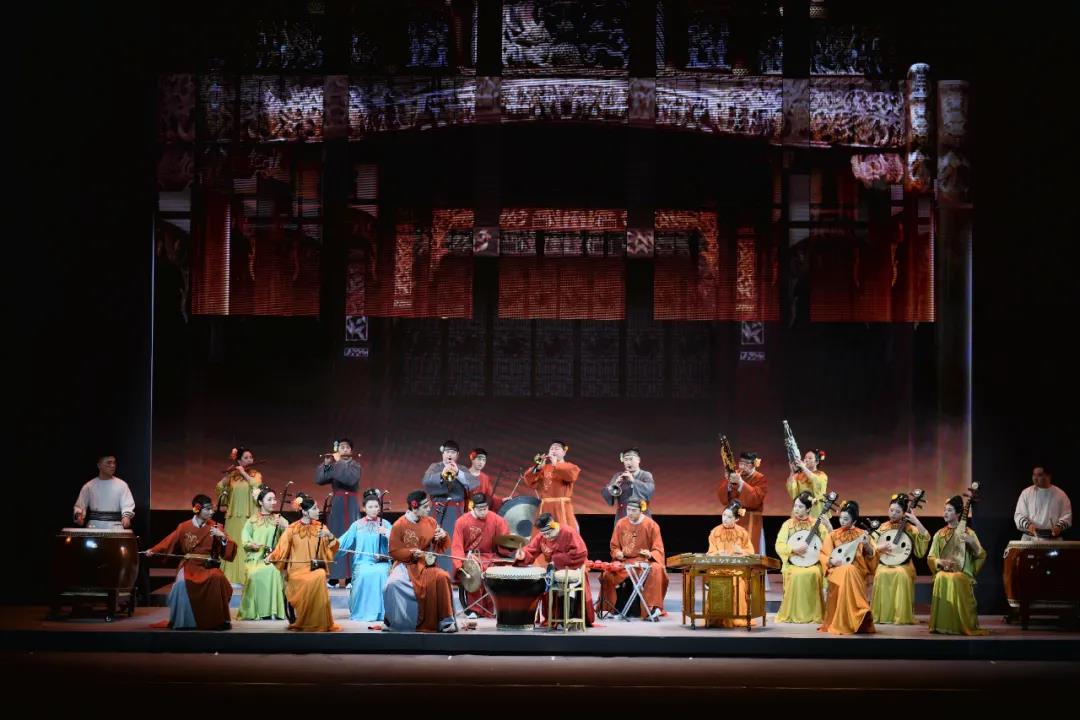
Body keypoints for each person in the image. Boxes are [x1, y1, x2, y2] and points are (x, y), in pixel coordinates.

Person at [146, 494, 236, 630]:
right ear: (197, 509)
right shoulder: (184, 527)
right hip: (189, 565)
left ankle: (217, 620)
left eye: (212, 509)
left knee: (217, 577)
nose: (211, 512)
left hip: (207, 566)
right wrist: (153, 550)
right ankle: (185, 621)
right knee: (181, 584)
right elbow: (169, 541)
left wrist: (222, 537)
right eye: (208, 509)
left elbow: (227, 550)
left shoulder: (217, 527)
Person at [383, 490, 457, 633]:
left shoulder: (431, 522)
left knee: (443, 576)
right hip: (405, 564)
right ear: (414, 508)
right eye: (425, 507)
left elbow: (440, 546)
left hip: (426, 564)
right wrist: (411, 553)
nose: (429, 509)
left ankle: (446, 621)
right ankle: (392, 620)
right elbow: (393, 551)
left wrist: (442, 536)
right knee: (392, 584)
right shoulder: (399, 525)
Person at [266, 493, 340, 631]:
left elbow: (333, 547)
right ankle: (306, 620)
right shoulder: (292, 529)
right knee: (313, 578)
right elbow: (281, 549)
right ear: (305, 512)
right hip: (297, 570)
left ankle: (318, 621)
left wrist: (330, 536)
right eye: (314, 508)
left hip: (313, 568)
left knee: (319, 575)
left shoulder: (321, 527)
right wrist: (271, 556)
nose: (318, 511)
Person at [516, 512, 596, 626]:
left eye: (549, 533)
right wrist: (523, 555)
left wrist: (556, 559)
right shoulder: (542, 536)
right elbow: (531, 550)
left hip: (572, 567)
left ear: (553, 525)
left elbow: (581, 553)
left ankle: (567, 617)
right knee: (543, 585)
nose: (547, 537)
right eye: (544, 534)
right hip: (554, 570)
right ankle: (552, 618)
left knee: (561, 584)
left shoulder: (568, 532)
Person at [928, 495, 988, 635]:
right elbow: (931, 557)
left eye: (949, 510)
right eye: (945, 510)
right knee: (941, 577)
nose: (945, 513)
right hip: (944, 572)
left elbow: (981, 555)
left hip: (963, 574)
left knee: (955, 578)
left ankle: (959, 625)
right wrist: (939, 562)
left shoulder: (969, 533)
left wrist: (971, 542)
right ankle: (942, 625)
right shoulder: (939, 534)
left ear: (958, 513)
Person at [599, 497, 667, 620]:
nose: (630, 513)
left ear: (641, 510)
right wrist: (617, 553)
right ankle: (614, 608)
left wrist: (650, 554)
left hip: (644, 561)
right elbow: (614, 546)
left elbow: (658, 549)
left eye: (634, 510)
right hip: (625, 560)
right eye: (628, 510)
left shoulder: (651, 525)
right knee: (608, 573)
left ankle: (651, 608)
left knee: (657, 569)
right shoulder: (621, 523)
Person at [819, 500, 877, 635]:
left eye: (846, 519)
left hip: (857, 572)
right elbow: (823, 555)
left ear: (854, 521)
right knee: (847, 569)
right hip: (836, 571)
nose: (842, 521)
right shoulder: (833, 534)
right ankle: (860, 611)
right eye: (841, 518)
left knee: (849, 569)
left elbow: (872, 556)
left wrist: (867, 545)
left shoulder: (862, 534)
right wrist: (832, 561)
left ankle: (856, 617)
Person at [871, 492, 930, 625]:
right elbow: (872, 544)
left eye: (898, 511)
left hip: (904, 565)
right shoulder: (883, 527)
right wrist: (879, 547)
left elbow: (924, 538)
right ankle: (882, 616)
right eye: (891, 510)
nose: (893, 514)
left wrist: (916, 521)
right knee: (880, 573)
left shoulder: (910, 528)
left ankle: (900, 616)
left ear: (904, 513)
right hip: (885, 562)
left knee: (901, 574)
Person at [421, 441, 479, 574]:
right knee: (435, 540)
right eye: (447, 452)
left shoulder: (462, 469)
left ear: (457, 455)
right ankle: (435, 573)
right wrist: (441, 475)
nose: (449, 455)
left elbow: (474, 484)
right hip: (437, 511)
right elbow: (426, 482)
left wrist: (458, 472)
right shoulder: (435, 467)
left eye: (453, 452)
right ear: (443, 454)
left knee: (454, 542)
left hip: (455, 512)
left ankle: (453, 574)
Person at [335, 489, 392, 622]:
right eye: (370, 507)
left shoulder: (385, 524)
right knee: (364, 574)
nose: (373, 509)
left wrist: (387, 533)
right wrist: (329, 546)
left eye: (376, 506)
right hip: (363, 562)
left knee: (382, 573)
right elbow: (343, 542)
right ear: (364, 508)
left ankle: (381, 613)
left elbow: (396, 542)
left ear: (379, 508)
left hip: (382, 562)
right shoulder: (357, 525)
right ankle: (362, 612)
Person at [774, 491, 829, 623]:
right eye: (795, 506)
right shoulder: (788, 524)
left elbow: (828, 543)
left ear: (808, 509)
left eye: (800, 506)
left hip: (813, 564)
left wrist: (828, 526)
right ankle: (793, 613)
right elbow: (779, 545)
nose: (796, 509)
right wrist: (793, 549)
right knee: (795, 574)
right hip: (793, 563)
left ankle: (813, 614)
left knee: (815, 572)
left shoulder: (816, 524)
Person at [314, 438, 363, 587]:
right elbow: (320, 480)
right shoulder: (336, 465)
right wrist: (326, 464)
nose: (344, 449)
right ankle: (334, 577)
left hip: (351, 504)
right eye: (341, 447)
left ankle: (350, 578)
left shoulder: (355, 465)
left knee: (351, 538)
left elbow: (349, 480)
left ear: (351, 450)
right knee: (335, 537)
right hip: (338, 504)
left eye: (347, 447)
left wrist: (339, 462)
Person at [236, 487, 288, 620]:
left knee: (274, 571)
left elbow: (287, 539)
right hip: (255, 558)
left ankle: (273, 611)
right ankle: (253, 611)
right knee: (254, 574)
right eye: (269, 499)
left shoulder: (279, 519)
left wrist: (284, 527)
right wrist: (251, 544)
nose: (273, 502)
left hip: (273, 558)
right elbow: (245, 539)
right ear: (260, 502)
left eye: (274, 499)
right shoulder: (252, 520)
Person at [215, 446, 263, 584]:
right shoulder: (233, 477)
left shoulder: (255, 474)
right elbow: (219, 487)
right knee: (234, 544)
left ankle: (249, 576)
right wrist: (229, 475)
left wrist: (244, 473)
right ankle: (231, 577)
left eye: (250, 457)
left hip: (250, 516)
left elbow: (257, 486)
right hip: (234, 517)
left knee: (246, 544)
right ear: (239, 461)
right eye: (246, 458)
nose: (249, 460)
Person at [523, 441, 580, 532]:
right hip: (545, 507)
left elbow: (571, 476)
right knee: (543, 534)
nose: (553, 450)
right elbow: (529, 480)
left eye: (557, 448)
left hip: (562, 507)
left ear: (564, 452)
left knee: (564, 532)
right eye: (551, 449)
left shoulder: (570, 466)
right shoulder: (544, 468)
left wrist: (555, 464)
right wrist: (538, 467)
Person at [715, 451, 767, 552]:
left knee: (750, 549)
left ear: (754, 464)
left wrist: (740, 482)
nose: (742, 467)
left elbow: (755, 500)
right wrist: (728, 482)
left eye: (746, 464)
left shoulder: (760, 478)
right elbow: (723, 499)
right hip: (733, 519)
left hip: (751, 520)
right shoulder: (735, 475)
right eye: (741, 463)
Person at [73, 454, 135, 529]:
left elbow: (127, 504)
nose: (113, 465)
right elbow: (80, 506)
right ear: (99, 465)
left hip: (115, 527)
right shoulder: (89, 486)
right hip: (94, 527)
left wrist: (126, 517)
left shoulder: (122, 485)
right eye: (109, 463)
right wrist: (79, 516)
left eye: (114, 462)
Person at [1013, 465, 1072, 541]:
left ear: (1048, 476)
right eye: (1034, 475)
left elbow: (1067, 515)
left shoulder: (1060, 494)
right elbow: (1018, 515)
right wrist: (1028, 526)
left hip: (1053, 540)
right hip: (1030, 539)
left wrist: (1059, 527)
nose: (1035, 478)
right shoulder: (1026, 493)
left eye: (1039, 475)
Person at [600, 448, 656, 523]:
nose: (628, 462)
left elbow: (649, 490)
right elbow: (607, 494)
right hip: (622, 516)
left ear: (638, 460)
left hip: (642, 515)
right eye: (626, 460)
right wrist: (615, 484)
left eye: (631, 459)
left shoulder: (645, 475)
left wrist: (633, 480)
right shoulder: (618, 475)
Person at [785, 449, 829, 519]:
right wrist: (792, 472)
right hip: (800, 510)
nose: (806, 460)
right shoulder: (798, 475)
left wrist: (803, 467)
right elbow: (792, 490)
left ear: (817, 462)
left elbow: (818, 485)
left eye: (810, 458)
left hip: (815, 510)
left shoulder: (822, 475)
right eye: (805, 458)